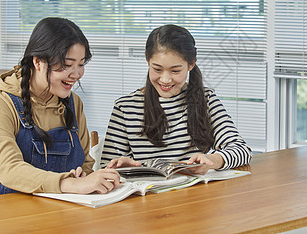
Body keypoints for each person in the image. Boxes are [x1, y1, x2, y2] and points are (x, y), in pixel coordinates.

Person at [0, 17, 120, 198]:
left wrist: (99, 179)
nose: (76, 74)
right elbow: (9, 169)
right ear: (38, 62)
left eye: (81, 64)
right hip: (1, 212)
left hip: (56, 211)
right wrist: (71, 183)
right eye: (67, 65)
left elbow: (86, 165)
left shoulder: (74, 103)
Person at [101, 24, 252, 174]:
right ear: (147, 60)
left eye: (175, 71)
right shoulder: (125, 107)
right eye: (157, 69)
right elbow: (105, 168)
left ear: (191, 65)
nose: (165, 80)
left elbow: (242, 150)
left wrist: (211, 160)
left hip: (195, 194)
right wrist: (124, 167)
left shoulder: (206, 100)